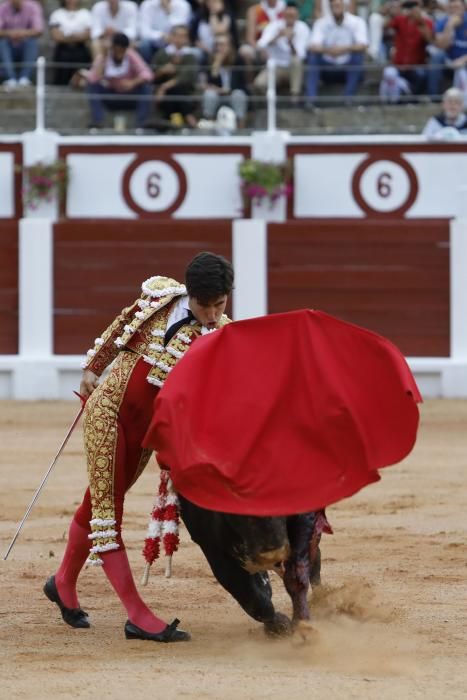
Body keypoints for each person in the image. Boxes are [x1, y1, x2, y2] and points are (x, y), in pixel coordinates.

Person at [43, 252, 234, 642]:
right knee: (107, 512)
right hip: (107, 414)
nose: (213, 314)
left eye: (221, 304)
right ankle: (137, 615)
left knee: (96, 501)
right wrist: (92, 369)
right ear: (190, 294)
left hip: (144, 433)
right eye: (206, 305)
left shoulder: (222, 336)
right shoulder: (160, 297)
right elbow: (121, 327)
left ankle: (62, 582)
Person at [84, 32, 154, 130]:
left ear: (126, 49)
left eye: (122, 50)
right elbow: (92, 78)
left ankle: (141, 125)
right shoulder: (104, 57)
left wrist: (133, 82)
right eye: (116, 50)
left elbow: (148, 74)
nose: (119, 54)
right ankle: (98, 122)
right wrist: (103, 58)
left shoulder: (131, 56)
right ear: (112, 48)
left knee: (146, 88)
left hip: (129, 96)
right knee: (92, 87)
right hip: (110, 96)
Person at [305, 0, 368, 104]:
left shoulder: (357, 22)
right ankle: (311, 100)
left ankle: (348, 98)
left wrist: (343, 49)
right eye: (334, 6)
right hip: (328, 68)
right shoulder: (321, 22)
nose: (337, 8)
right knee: (313, 58)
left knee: (358, 57)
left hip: (347, 67)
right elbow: (313, 46)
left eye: (339, 5)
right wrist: (328, 50)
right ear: (330, 7)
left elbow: (363, 45)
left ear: (345, 6)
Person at [255, 1, 310, 101]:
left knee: (296, 61)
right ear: (283, 14)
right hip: (275, 67)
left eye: (292, 15)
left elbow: (301, 56)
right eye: (288, 14)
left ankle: (295, 97)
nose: (290, 17)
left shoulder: (303, 28)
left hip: (292, 69)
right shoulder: (274, 26)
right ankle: (273, 103)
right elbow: (260, 44)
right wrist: (277, 37)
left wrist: (290, 42)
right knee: (259, 84)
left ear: (297, 15)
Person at [153, 24, 198, 127]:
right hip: (165, 96)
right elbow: (152, 76)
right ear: (171, 37)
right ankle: (189, 117)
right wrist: (162, 71)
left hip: (185, 92)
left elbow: (188, 76)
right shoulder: (162, 54)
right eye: (178, 36)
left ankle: (173, 121)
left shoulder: (190, 56)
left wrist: (165, 86)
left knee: (178, 90)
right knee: (174, 93)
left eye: (183, 36)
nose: (180, 39)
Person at [385, 0, 433, 94]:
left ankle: (413, 102)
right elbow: (385, 26)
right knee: (389, 73)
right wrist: (395, 10)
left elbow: (430, 40)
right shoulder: (399, 19)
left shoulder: (427, 22)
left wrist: (421, 22)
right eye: (410, 7)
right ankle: (395, 102)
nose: (412, 9)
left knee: (421, 75)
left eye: (415, 7)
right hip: (398, 64)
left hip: (417, 65)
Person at [201, 33, 248, 127]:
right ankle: (209, 125)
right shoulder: (208, 60)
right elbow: (208, 83)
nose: (219, 48)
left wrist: (228, 90)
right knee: (209, 95)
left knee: (239, 95)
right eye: (217, 45)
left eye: (222, 44)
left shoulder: (238, 60)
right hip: (217, 95)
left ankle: (241, 127)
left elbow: (242, 83)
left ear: (230, 46)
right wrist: (216, 64)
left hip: (233, 94)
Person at [0, 0, 44, 89]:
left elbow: (38, 30)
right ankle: (10, 79)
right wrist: (10, 34)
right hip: (9, 46)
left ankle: (24, 79)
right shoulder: (2, 8)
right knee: (2, 42)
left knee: (31, 42)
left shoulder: (33, 6)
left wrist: (21, 33)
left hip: (25, 45)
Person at [427, 0, 467, 97]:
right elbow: (442, 46)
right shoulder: (443, 22)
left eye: (457, 7)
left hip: (464, 59)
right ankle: (433, 97)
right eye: (451, 8)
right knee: (437, 56)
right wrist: (449, 26)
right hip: (449, 61)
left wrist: (464, 59)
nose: (454, 11)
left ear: (464, 7)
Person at [49, 0, 92, 86]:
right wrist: (76, 36)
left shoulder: (85, 14)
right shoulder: (57, 14)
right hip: (63, 49)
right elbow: (55, 35)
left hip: (80, 48)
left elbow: (88, 34)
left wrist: (66, 36)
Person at [138, 0, 192, 65]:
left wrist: (168, 12)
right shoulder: (147, 4)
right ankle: (147, 71)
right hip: (154, 42)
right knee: (144, 44)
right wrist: (161, 35)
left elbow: (181, 30)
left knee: (182, 44)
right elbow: (144, 32)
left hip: (175, 42)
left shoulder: (183, 5)